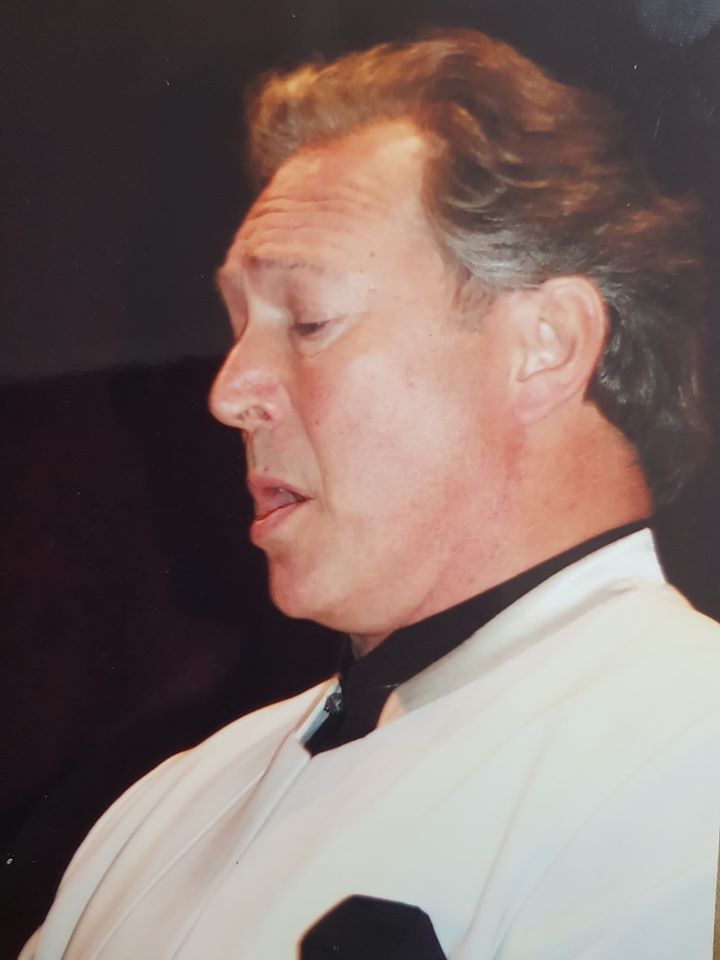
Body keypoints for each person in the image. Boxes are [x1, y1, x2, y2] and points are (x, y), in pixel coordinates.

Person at [21, 28, 720, 960]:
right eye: (236, 327)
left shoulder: (694, 746)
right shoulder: (163, 810)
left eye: (309, 320)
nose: (228, 393)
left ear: (545, 345)